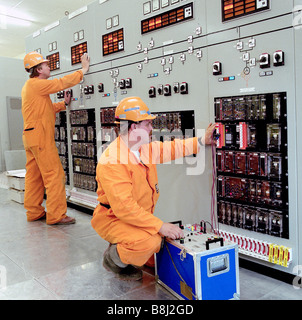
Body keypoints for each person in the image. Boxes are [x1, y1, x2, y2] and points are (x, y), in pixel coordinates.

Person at [91, 96, 216, 280]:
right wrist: (159, 225)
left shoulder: (143, 148)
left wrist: (201, 141)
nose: (152, 129)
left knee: (156, 248)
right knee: (152, 241)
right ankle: (114, 259)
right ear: (133, 127)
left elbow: (173, 148)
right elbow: (124, 208)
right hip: (114, 218)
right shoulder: (113, 161)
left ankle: (126, 245)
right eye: (148, 124)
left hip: (136, 217)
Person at [21, 51, 90, 225]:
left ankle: (34, 211)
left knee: (34, 176)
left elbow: (45, 109)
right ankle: (57, 215)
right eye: (45, 64)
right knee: (55, 175)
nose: (48, 66)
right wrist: (83, 70)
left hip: (30, 137)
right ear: (38, 69)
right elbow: (60, 83)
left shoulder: (31, 87)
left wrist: (63, 104)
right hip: (40, 137)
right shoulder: (37, 84)